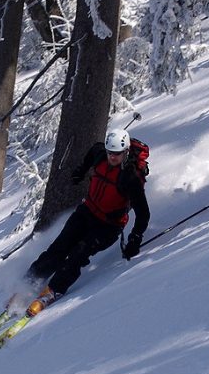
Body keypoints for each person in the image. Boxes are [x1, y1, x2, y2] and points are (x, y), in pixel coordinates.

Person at [25, 128, 150, 307]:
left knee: (78, 253)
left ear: (126, 152)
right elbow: (93, 150)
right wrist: (81, 170)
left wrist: (135, 238)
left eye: (117, 154)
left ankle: (54, 290)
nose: (112, 157)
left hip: (108, 226)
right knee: (60, 246)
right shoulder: (100, 154)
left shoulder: (129, 177)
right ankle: (30, 281)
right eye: (110, 153)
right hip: (86, 212)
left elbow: (143, 213)